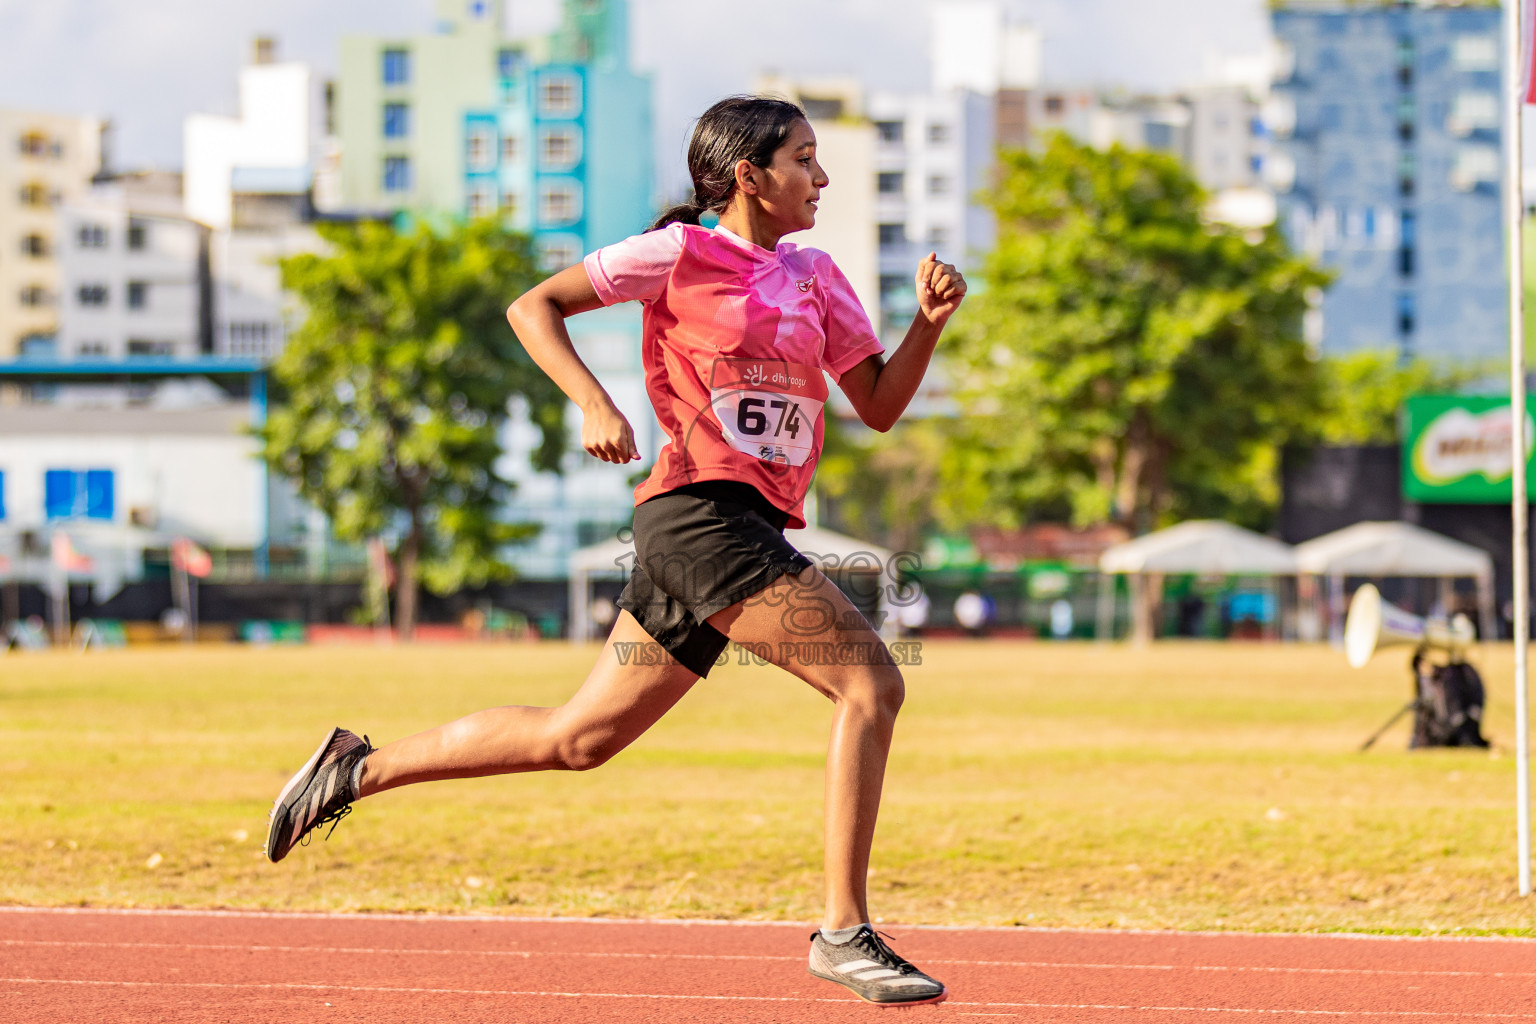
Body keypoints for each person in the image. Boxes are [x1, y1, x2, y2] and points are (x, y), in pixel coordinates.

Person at [264, 95, 966, 1008]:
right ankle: (843, 930)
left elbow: (874, 403)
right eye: (803, 159)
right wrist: (595, 403)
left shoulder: (817, 274)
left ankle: (353, 769)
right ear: (748, 176)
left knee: (580, 738)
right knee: (872, 682)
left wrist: (928, 325)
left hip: (743, 525)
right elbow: (534, 306)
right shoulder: (679, 254)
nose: (820, 177)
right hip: (698, 517)